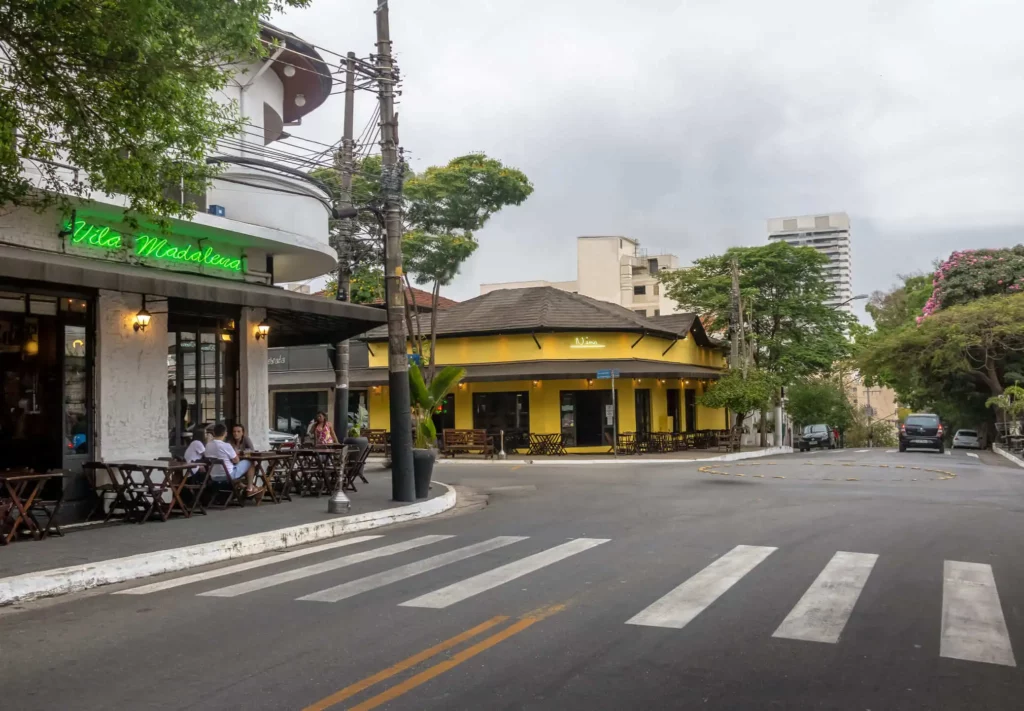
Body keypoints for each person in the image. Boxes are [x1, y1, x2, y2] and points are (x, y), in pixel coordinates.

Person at [205, 423, 257, 495]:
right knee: (250, 462)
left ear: (213, 433)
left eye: (238, 432)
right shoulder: (226, 445)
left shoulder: (208, 445)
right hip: (228, 475)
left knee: (238, 466)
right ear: (225, 433)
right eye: (234, 431)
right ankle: (249, 488)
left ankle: (243, 486)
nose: (236, 434)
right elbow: (236, 460)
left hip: (213, 476)